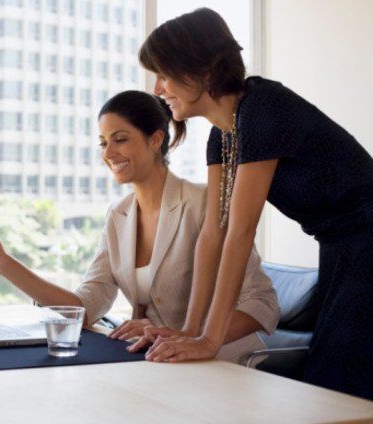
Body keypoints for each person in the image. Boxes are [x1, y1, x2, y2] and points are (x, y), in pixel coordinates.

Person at [134, 7, 373, 399]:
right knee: (333, 379)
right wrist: (190, 330)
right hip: (341, 247)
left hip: (366, 240)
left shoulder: (262, 108)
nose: (158, 89)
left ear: (202, 71)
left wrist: (211, 339)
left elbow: (241, 232)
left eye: (164, 74)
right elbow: (214, 232)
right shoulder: (222, 135)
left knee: (342, 379)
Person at [0, 90, 280, 365]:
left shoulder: (203, 204)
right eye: (103, 143)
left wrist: (189, 335)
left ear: (155, 139)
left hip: (223, 365)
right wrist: (2, 263)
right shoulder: (118, 216)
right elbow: (85, 307)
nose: (107, 153)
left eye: (120, 140)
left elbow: (262, 303)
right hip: (159, 363)